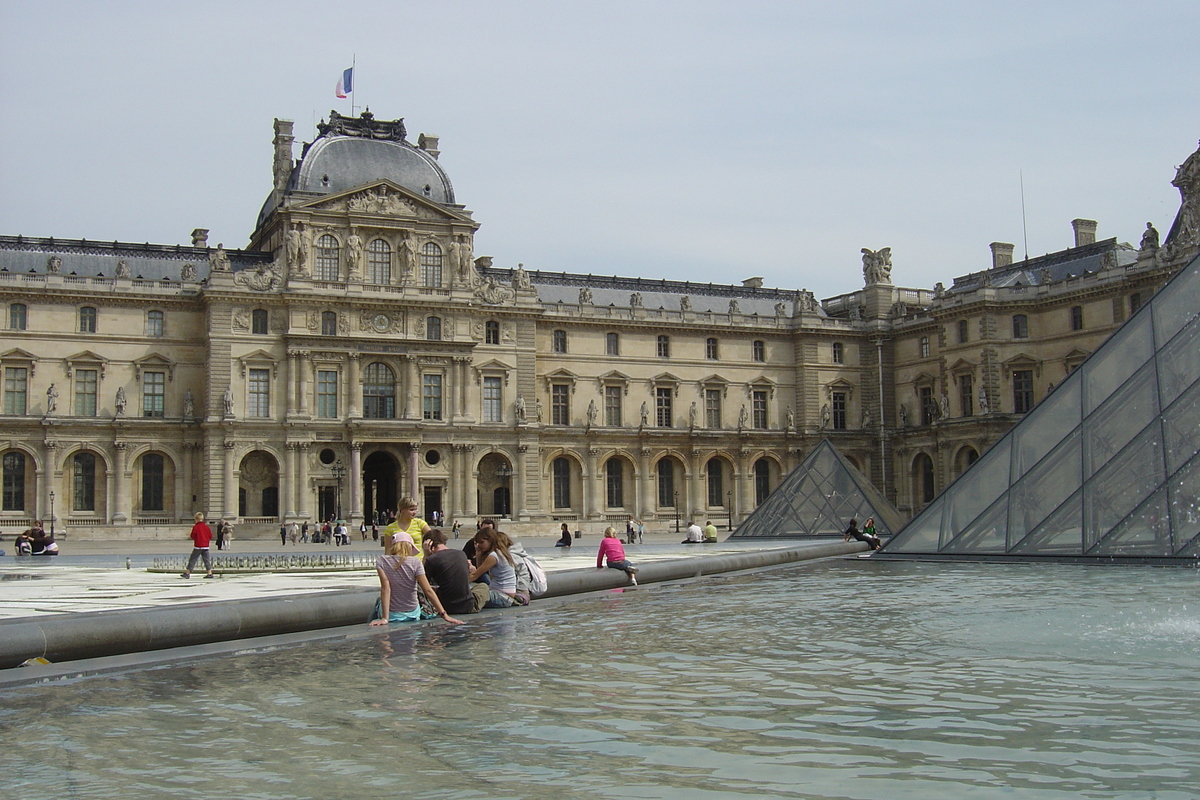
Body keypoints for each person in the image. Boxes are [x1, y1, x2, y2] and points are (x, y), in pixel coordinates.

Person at [369, 532, 462, 626]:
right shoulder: (415, 562)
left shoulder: (382, 561)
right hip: (412, 613)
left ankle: (371, 627)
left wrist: (385, 618)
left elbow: (386, 589)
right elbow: (428, 590)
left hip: (392, 615)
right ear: (410, 546)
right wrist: (444, 615)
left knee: (379, 602)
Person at [423, 528, 489, 614]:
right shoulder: (461, 554)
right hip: (468, 606)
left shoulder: (431, 560)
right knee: (483, 586)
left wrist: (426, 555)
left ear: (429, 544)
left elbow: (423, 584)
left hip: (446, 607)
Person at [468, 527, 522, 607]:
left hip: (502, 596)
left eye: (482, 542)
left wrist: (458, 585)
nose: (479, 545)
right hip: (504, 594)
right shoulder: (500, 552)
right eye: (477, 543)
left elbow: (475, 575)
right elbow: (481, 571)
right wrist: (478, 554)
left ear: (490, 541)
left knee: (468, 595)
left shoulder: (494, 556)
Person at [182, 512, 214, 579]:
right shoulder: (206, 527)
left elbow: (192, 536)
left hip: (198, 546)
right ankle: (209, 572)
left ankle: (188, 573)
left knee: (193, 559)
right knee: (206, 560)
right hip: (206, 546)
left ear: (196, 519)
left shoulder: (196, 527)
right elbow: (210, 536)